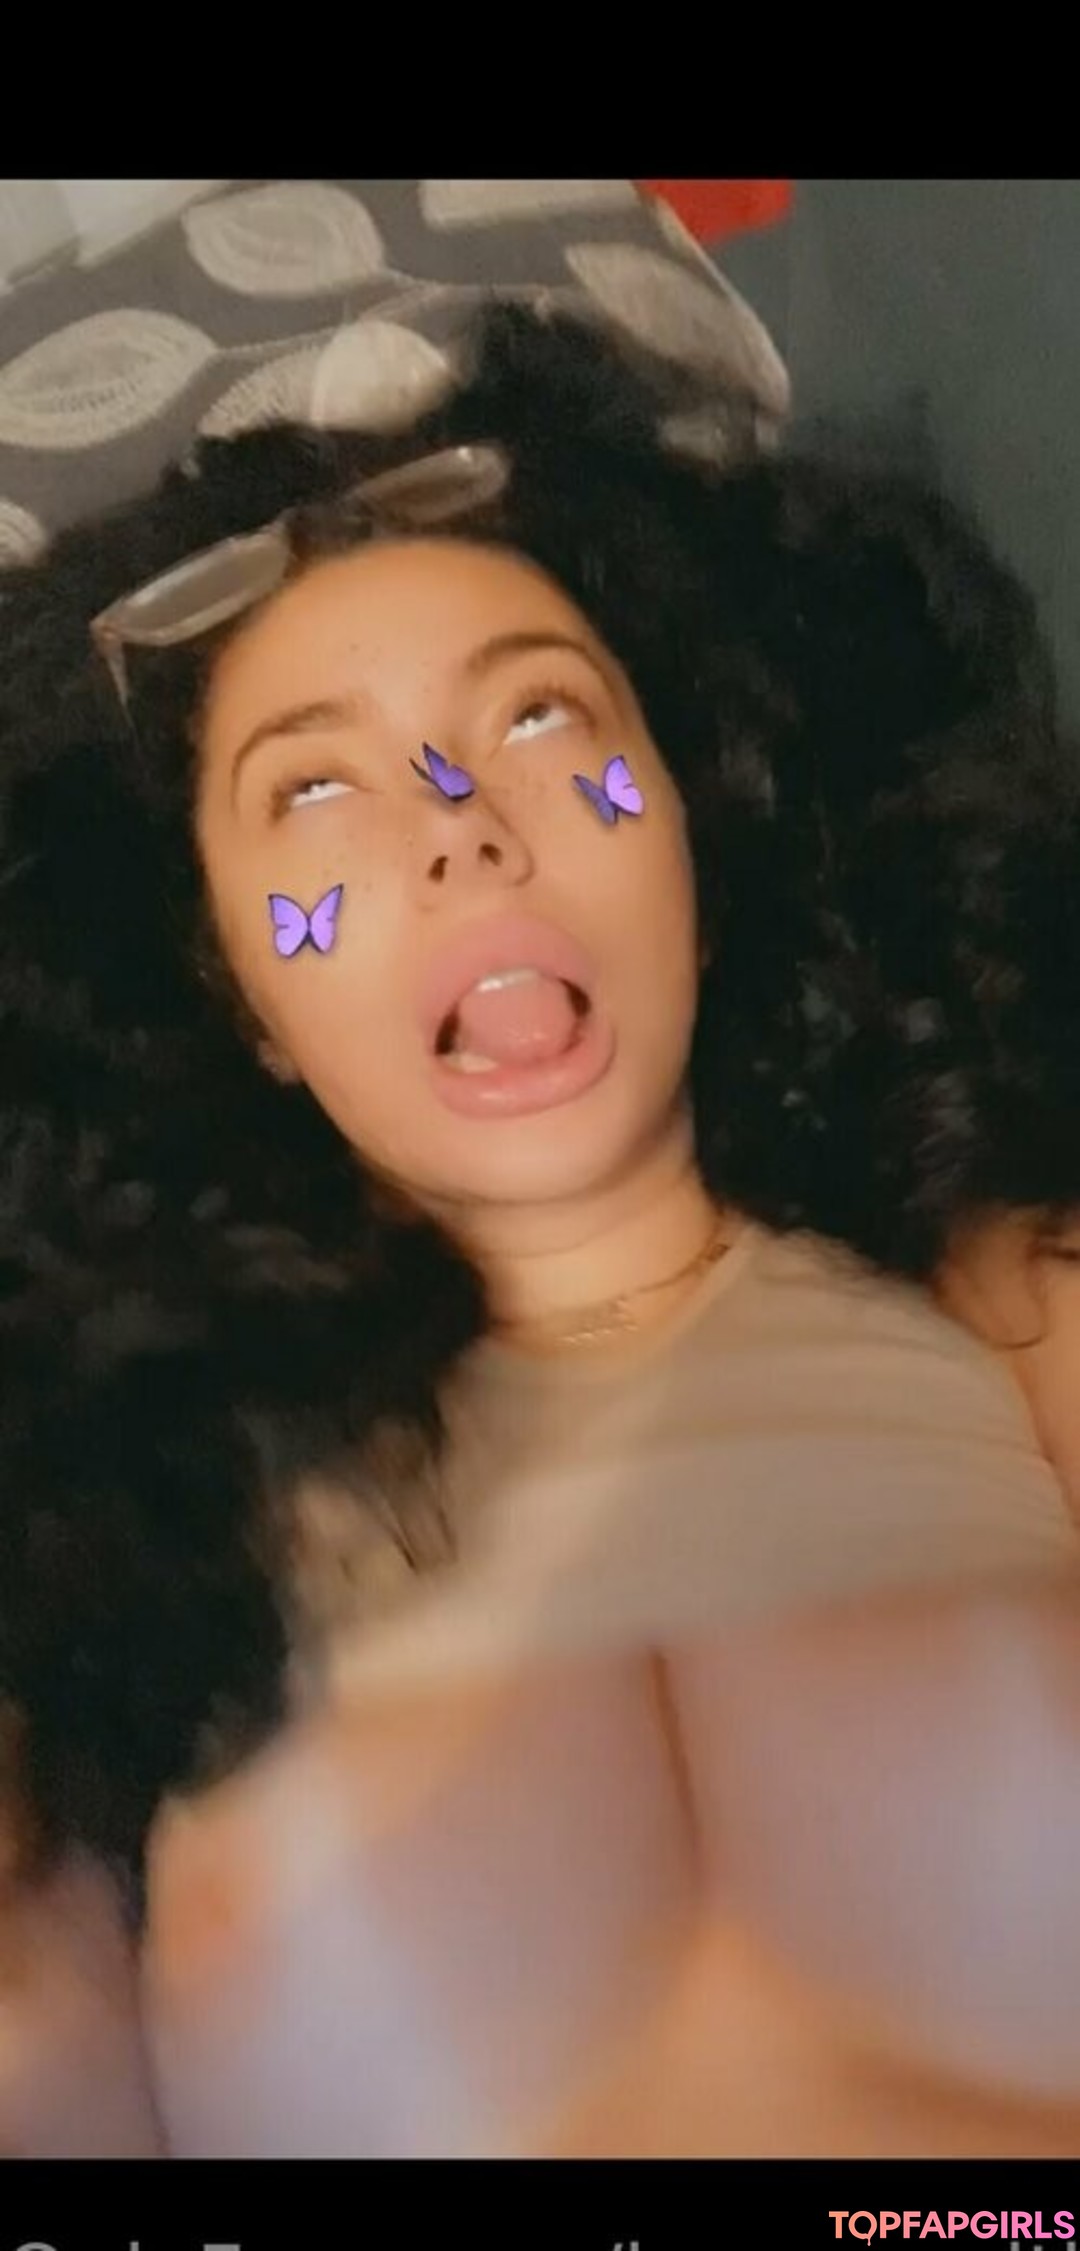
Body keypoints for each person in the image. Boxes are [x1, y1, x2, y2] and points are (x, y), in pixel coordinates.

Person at [1, 303, 1079, 2157]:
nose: (459, 824)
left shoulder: (1005, 1295)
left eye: (539, 715)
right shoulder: (122, 1528)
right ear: (244, 1001)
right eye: (313, 787)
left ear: (700, 851)